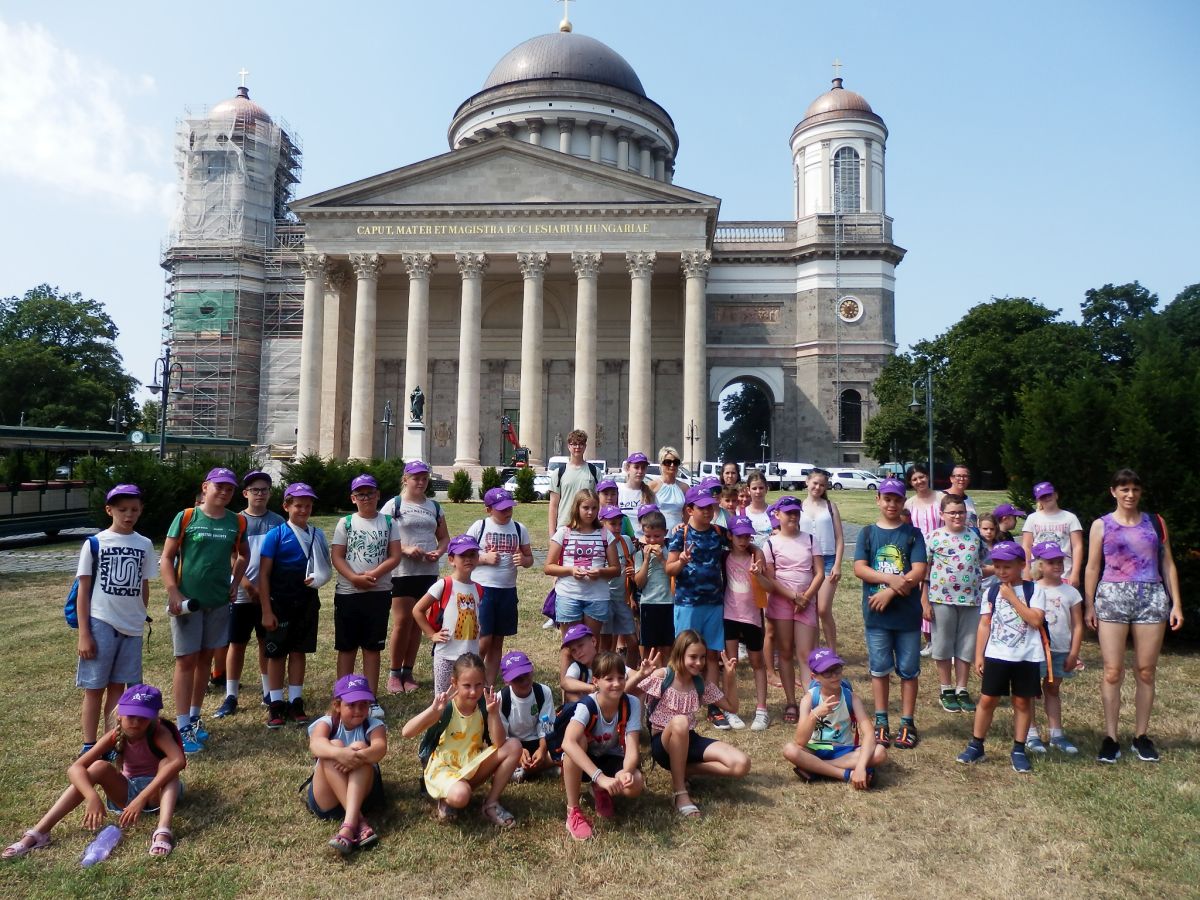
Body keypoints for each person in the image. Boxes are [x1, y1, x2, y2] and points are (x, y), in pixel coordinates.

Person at [4, 684, 184, 859]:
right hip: (127, 795)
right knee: (98, 766)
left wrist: (142, 798)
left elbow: (179, 761)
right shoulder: (115, 734)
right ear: (119, 715)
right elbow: (75, 768)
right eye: (131, 716)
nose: (136, 723)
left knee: (168, 764)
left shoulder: (159, 733)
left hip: (159, 794)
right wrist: (91, 796)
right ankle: (39, 833)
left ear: (154, 719)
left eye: (143, 718)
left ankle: (163, 831)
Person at [1083, 468, 1183, 763]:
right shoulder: (1101, 525)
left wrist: (1176, 603)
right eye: (1124, 489)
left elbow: (1168, 564)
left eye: (1135, 489)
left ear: (1140, 493)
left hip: (1151, 598)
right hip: (1112, 597)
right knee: (1113, 671)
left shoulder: (1155, 523)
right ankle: (1111, 737)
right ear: (1113, 491)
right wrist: (1089, 604)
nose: (1130, 494)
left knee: (1145, 671)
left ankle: (1141, 736)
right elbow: (1092, 567)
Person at [160, 467, 249, 753]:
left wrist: (235, 582)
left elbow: (243, 555)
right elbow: (166, 557)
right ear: (206, 487)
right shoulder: (187, 516)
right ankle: (182, 724)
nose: (224, 492)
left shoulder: (236, 522)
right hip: (189, 603)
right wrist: (173, 591)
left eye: (229, 488)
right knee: (186, 660)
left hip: (218, 602)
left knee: (205, 660)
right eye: (219, 486)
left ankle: (195, 718)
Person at [74, 484, 154, 755]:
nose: (128, 515)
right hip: (101, 623)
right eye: (122, 510)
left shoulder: (144, 544)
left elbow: (144, 585)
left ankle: (111, 741)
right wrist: (84, 632)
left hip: (131, 628)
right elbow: (83, 591)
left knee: (118, 688)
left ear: (141, 510)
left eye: (134, 509)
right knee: (95, 687)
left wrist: (140, 615)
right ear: (109, 510)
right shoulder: (95, 543)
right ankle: (88, 744)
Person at [636, 631, 751, 816]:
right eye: (693, 657)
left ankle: (681, 769)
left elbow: (732, 707)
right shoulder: (663, 675)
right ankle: (680, 792)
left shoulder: (700, 684)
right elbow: (627, 694)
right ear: (679, 654)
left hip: (689, 739)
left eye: (703, 657)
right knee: (680, 721)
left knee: (741, 764)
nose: (699, 663)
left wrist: (729, 678)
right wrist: (641, 675)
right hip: (662, 743)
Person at [401, 652, 522, 827]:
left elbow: (499, 742)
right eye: (467, 685)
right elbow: (406, 732)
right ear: (454, 682)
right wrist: (433, 711)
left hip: (471, 765)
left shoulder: (484, 705)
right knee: (461, 796)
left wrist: (494, 713)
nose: (473, 691)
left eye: (478, 685)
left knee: (514, 746)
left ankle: (491, 804)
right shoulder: (446, 707)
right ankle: (446, 796)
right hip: (444, 768)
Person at [956, 541, 1047, 773]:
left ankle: (1018, 748)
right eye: (997, 566)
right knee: (987, 700)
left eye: (1007, 566)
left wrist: (1013, 598)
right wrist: (979, 654)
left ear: (1021, 565)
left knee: (1022, 702)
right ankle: (977, 745)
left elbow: (1036, 620)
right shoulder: (992, 591)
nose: (1001, 571)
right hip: (997, 655)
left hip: (1026, 656)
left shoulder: (1035, 591)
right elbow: (984, 624)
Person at [853, 477, 928, 750]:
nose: (892, 504)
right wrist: (890, 578)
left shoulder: (912, 534)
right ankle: (881, 721)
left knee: (909, 670)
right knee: (879, 668)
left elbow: (919, 570)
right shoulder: (868, 533)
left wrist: (891, 590)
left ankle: (907, 721)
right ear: (878, 500)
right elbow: (860, 568)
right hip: (877, 617)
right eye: (887, 499)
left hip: (907, 615)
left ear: (903, 502)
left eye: (897, 499)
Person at [258, 482, 332, 728]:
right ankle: (276, 703)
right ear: (286, 506)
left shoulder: (317, 534)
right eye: (298, 505)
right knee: (277, 653)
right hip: (279, 603)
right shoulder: (276, 535)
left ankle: (296, 700)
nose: (303, 510)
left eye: (308, 505)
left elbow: (325, 568)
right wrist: (266, 610)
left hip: (307, 602)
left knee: (299, 651)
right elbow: (264, 574)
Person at [330, 474, 402, 719]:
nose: (366, 498)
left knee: (372, 647)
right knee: (347, 647)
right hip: (349, 593)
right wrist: (354, 578)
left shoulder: (389, 522)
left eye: (370, 493)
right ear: (353, 498)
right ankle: (343, 697)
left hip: (379, 592)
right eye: (360, 494)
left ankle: (370, 698)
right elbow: (337, 556)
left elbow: (395, 556)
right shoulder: (346, 523)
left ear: (378, 495)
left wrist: (373, 574)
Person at [215, 471, 285, 720]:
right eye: (255, 490)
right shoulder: (234, 521)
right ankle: (231, 694)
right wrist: (245, 584)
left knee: (266, 642)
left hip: (268, 595)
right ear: (245, 494)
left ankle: (268, 691)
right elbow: (233, 556)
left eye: (264, 490)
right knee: (237, 643)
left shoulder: (278, 522)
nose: (260, 494)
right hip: (242, 595)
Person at [559, 650, 645, 841]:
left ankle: (600, 790)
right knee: (577, 741)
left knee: (635, 784)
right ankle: (573, 811)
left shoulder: (631, 703)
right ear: (595, 681)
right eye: (609, 679)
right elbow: (567, 742)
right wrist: (600, 777)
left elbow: (632, 749)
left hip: (611, 756)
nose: (617, 683)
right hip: (585, 761)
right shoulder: (587, 705)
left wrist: (626, 771)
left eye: (621, 677)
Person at [381, 460, 449, 695]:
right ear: (405, 479)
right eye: (415, 477)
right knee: (402, 623)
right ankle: (393, 673)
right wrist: (405, 550)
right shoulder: (394, 505)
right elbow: (382, 537)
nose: (420, 482)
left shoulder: (435, 507)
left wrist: (438, 553)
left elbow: (444, 538)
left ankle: (407, 672)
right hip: (402, 572)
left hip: (427, 572)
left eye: (423, 478)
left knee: (418, 624)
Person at [666, 486, 731, 729]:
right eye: (702, 508)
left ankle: (713, 706)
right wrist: (681, 561)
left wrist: (755, 550)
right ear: (689, 510)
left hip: (714, 604)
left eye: (710, 507)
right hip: (688, 604)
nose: (708, 511)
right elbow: (669, 570)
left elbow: (743, 543)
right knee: (684, 655)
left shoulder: (718, 532)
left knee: (712, 655)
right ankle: (679, 701)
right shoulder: (679, 535)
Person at [306, 674, 388, 854]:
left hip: (362, 797)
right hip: (327, 800)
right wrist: (340, 754)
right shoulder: (327, 723)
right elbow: (316, 744)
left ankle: (348, 826)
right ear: (337, 705)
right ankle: (358, 821)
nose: (358, 710)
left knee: (360, 747)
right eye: (351, 705)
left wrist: (356, 756)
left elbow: (380, 749)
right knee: (331, 747)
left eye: (364, 704)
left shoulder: (374, 725)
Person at [783, 648, 886, 787]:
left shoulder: (851, 698)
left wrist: (861, 766)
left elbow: (868, 733)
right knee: (790, 750)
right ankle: (845, 774)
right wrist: (815, 714)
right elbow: (800, 741)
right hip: (816, 747)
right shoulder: (809, 699)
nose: (834, 676)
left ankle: (816, 769)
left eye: (837, 670)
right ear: (815, 677)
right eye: (827, 672)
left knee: (880, 752)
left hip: (844, 748)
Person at [762, 494, 824, 724]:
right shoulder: (770, 543)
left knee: (806, 655)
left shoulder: (809, 539)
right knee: (785, 652)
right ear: (777, 515)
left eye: (796, 512)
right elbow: (770, 577)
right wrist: (793, 596)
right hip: (781, 602)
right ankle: (791, 701)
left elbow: (819, 572)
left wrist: (806, 597)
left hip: (805, 603)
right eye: (788, 512)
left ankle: (810, 701)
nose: (793, 516)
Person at [546, 489, 619, 679]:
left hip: (596, 596)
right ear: (577, 508)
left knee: (589, 648)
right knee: (570, 646)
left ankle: (589, 690)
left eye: (594, 508)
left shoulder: (605, 534)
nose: (590, 512)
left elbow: (615, 569)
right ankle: (567, 691)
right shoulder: (564, 532)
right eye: (585, 508)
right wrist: (570, 570)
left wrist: (601, 572)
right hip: (569, 594)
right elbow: (549, 566)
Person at [923, 494, 984, 714]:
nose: (957, 516)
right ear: (942, 515)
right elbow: (925, 572)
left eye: (961, 512)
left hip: (972, 599)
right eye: (952, 513)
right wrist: (924, 601)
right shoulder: (934, 537)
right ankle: (945, 688)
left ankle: (961, 688)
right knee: (943, 643)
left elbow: (982, 563)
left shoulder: (975, 537)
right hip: (941, 599)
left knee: (966, 644)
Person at [467, 488, 533, 685]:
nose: (507, 512)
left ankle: (487, 685)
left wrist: (524, 559)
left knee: (497, 641)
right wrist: (484, 558)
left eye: (509, 508)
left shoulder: (519, 529)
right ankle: (470, 676)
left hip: (507, 590)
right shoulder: (480, 526)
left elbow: (529, 558)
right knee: (484, 639)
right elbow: (462, 556)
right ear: (489, 510)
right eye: (501, 509)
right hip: (483, 589)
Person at [1024, 541, 1084, 755]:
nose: (1057, 566)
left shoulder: (1071, 592)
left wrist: (1074, 652)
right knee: (1029, 691)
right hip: (1034, 651)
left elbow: (1077, 625)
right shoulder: (1029, 590)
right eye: (1051, 562)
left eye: (1060, 561)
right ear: (1039, 565)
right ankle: (1030, 734)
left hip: (1060, 650)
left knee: (1053, 688)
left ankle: (1056, 734)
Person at [412, 534, 485, 696]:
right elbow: (417, 610)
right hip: (446, 655)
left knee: (467, 696)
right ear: (451, 560)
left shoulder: (479, 589)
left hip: (470, 657)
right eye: (462, 555)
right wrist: (431, 635)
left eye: (472, 554)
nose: (468, 559)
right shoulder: (444, 585)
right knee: (443, 698)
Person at [723, 515, 770, 730]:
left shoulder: (756, 556)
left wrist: (759, 574)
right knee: (731, 664)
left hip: (752, 616)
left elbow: (767, 585)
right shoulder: (723, 557)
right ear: (730, 536)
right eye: (739, 536)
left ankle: (762, 710)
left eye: (747, 536)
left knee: (757, 663)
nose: (744, 540)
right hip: (729, 616)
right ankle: (730, 709)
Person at [800, 468, 844, 654]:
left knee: (823, 609)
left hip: (827, 560)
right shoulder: (799, 506)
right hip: (807, 561)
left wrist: (837, 564)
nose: (817, 487)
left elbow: (840, 538)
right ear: (807, 482)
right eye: (815, 483)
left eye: (822, 484)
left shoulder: (830, 507)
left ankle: (832, 651)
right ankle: (817, 652)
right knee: (811, 611)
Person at [496, 650, 556, 781]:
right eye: (517, 679)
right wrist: (519, 753)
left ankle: (525, 770)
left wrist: (542, 749)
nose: (524, 681)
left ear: (532, 669)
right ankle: (538, 767)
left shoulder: (543, 692)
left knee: (563, 748)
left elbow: (546, 726)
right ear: (506, 681)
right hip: (513, 745)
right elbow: (502, 737)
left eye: (526, 674)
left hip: (539, 742)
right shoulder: (501, 699)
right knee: (495, 754)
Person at [904, 464, 943, 656]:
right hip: (920, 553)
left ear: (927, 477)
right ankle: (929, 639)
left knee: (941, 593)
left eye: (921, 477)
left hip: (943, 552)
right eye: (914, 479)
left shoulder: (941, 498)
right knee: (923, 594)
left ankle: (943, 636)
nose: (919, 481)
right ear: (911, 483)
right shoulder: (909, 504)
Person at [1021, 482, 1084, 588]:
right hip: (1038, 574)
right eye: (1042, 497)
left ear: (1056, 495)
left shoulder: (1070, 518)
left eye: (1048, 495)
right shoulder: (1032, 518)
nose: (1046, 498)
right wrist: (1027, 571)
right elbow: (1026, 547)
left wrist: (1075, 573)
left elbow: (1077, 546)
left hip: (1063, 573)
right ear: (1038, 500)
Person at [598, 504, 639, 663]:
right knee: (606, 645)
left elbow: (634, 564)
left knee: (633, 643)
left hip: (623, 600)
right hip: (604, 599)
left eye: (620, 524)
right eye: (612, 524)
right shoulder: (599, 543)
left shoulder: (626, 541)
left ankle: (630, 678)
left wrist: (633, 572)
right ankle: (603, 677)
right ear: (602, 523)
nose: (617, 528)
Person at [635, 509, 675, 663]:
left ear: (665, 533)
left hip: (668, 603)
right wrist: (645, 560)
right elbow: (639, 583)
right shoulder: (639, 554)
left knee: (666, 647)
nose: (652, 541)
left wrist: (662, 559)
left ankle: (665, 678)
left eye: (657, 536)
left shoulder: (671, 552)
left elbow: (674, 574)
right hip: (648, 603)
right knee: (649, 649)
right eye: (648, 536)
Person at [547, 429, 598, 534]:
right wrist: (552, 534)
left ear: (585, 446)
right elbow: (553, 506)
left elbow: (599, 502)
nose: (577, 447)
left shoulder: (595, 472)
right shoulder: (558, 473)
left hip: (588, 528)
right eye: (574, 444)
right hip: (564, 528)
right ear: (568, 446)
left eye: (581, 444)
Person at [617, 452, 656, 536]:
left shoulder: (650, 494)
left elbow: (656, 520)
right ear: (628, 469)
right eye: (636, 467)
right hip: (623, 540)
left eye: (643, 468)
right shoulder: (618, 491)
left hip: (644, 540)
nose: (640, 471)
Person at [649, 446, 687, 531]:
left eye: (676, 462)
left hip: (679, 531)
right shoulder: (652, 486)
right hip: (657, 532)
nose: (672, 465)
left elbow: (687, 514)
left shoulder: (685, 487)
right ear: (661, 464)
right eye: (668, 462)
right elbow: (646, 514)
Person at [560, 623, 599, 703]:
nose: (578, 652)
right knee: (570, 693)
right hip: (587, 709)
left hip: (609, 706)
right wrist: (593, 688)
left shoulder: (606, 661)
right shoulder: (577, 667)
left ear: (593, 641)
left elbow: (632, 676)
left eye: (580, 645)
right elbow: (565, 682)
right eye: (573, 650)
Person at [743, 470, 773, 540]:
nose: (758, 492)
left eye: (761, 488)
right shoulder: (742, 513)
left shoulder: (774, 512)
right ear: (748, 490)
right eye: (754, 488)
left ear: (766, 489)